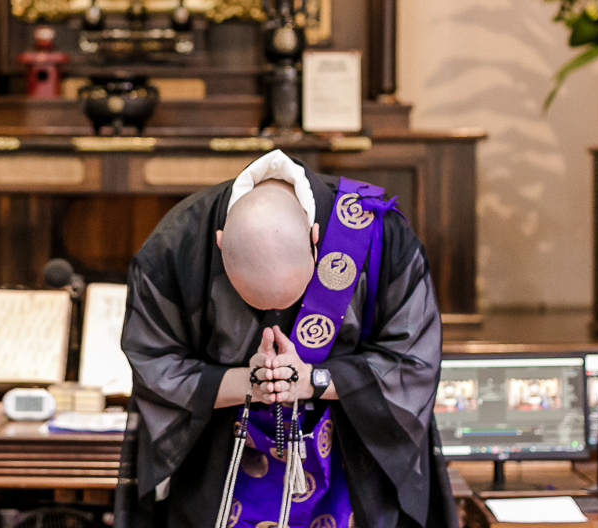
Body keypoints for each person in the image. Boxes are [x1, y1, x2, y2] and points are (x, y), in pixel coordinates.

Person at [117, 150, 457, 528]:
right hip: (222, 470)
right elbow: (153, 365)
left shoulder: (375, 230)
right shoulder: (176, 244)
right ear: (218, 242)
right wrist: (253, 383)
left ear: (316, 239)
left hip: (348, 464)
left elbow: (413, 364)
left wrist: (311, 380)